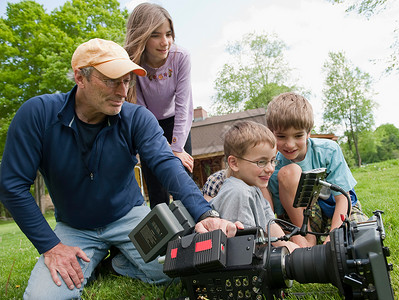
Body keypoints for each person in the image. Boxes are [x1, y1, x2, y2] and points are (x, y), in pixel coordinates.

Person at [0, 38, 241, 300]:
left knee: (175, 271)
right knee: (42, 298)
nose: (122, 91)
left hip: (130, 217)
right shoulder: (37, 114)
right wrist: (52, 246)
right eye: (111, 80)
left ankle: (116, 264)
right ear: (80, 77)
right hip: (74, 227)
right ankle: (92, 259)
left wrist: (205, 214)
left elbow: (166, 164)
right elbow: (12, 185)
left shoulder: (136, 118)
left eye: (126, 80)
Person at [266, 92, 367, 247]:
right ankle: (308, 238)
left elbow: (342, 199)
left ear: (309, 132)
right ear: (271, 133)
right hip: (303, 219)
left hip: (339, 210)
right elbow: (280, 214)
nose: (290, 144)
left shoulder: (328, 150)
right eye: (281, 137)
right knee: (289, 249)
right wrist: (298, 236)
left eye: (298, 136)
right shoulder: (273, 166)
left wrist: (333, 236)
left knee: (361, 237)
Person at [124, 3, 194, 208]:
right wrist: (159, 148)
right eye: (156, 35)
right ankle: (163, 238)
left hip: (177, 121)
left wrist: (177, 149)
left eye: (169, 34)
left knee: (182, 179)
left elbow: (183, 106)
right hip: (148, 123)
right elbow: (140, 108)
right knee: (156, 188)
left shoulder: (180, 57)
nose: (165, 42)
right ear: (142, 35)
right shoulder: (131, 63)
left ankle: (193, 232)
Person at [209, 121, 299, 253]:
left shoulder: (254, 189)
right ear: (234, 163)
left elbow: (273, 229)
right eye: (261, 162)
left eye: (273, 161)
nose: (270, 169)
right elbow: (245, 250)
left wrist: (297, 251)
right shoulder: (238, 193)